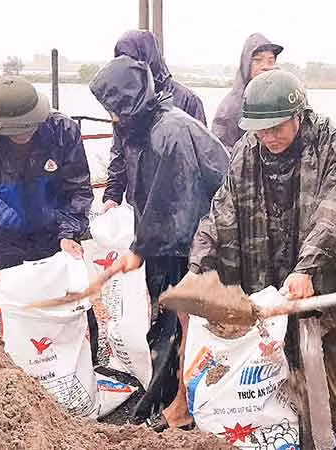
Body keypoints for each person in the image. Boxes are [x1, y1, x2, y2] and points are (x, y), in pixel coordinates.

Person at [187, 69, 336, 449]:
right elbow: (222, 209)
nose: (269, 137)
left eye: (277, 128)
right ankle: (287, 434)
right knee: (274, 366)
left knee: (333, 363)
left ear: (298, 115)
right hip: (263, 271)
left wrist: (307, 269)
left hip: (318, 277)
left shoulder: (330, 143)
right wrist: (198, 268)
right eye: (261, 130)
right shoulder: (247, 151)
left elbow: (332, 212)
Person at [89, 55, 229, 426]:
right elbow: (148, 194)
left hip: (201, 240)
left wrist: (139, 249)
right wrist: (141, 243)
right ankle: (173, 402)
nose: (113, 118)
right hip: (173, 240)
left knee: (187, 324)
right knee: (170, 322)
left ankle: (183, 408)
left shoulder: (171, 132)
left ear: (131, 103)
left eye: (115, 109)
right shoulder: (142, 127)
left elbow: (173, 201)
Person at [0, 76, 93, 323]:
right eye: (15, 130)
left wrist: (68, 234)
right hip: (3, 242)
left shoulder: (63, 131)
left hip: (55, 237)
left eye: (29, 126)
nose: (23, 134)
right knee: (1, 323)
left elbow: (78, 189)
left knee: (71, 316)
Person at [102, 29, 207, 214]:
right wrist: (112, 195)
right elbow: (119, 153)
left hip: (177, 210)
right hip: (138, 209)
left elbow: (200, 162)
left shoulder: (187, 101)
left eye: (132, 60)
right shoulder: (124, 102)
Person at [212, 33, 283, 148]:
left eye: (271, 61)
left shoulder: (283, 99)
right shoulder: (229, 108)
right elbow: (219, 153)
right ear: (247, 65)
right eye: (258, 60)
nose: (266, 66)